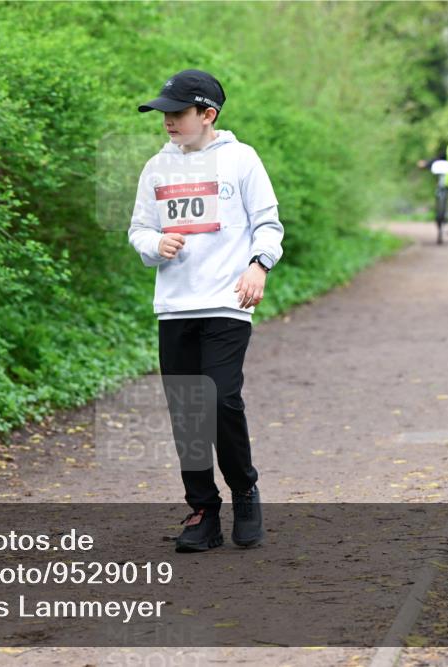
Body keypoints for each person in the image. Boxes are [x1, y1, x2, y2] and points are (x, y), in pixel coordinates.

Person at [128, 69, 283, 552]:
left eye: (177, 113)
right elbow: (138, 231)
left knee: (220, 400)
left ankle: (245, 489)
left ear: (207, 114)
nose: (168, 122)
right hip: (175, 306)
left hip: (226, 302)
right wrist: (157, 242)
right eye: (164, 114)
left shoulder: (241, 159)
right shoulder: (156, 167)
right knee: (188, 413)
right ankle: (203, 512)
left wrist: (259, 265)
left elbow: (268, 223)